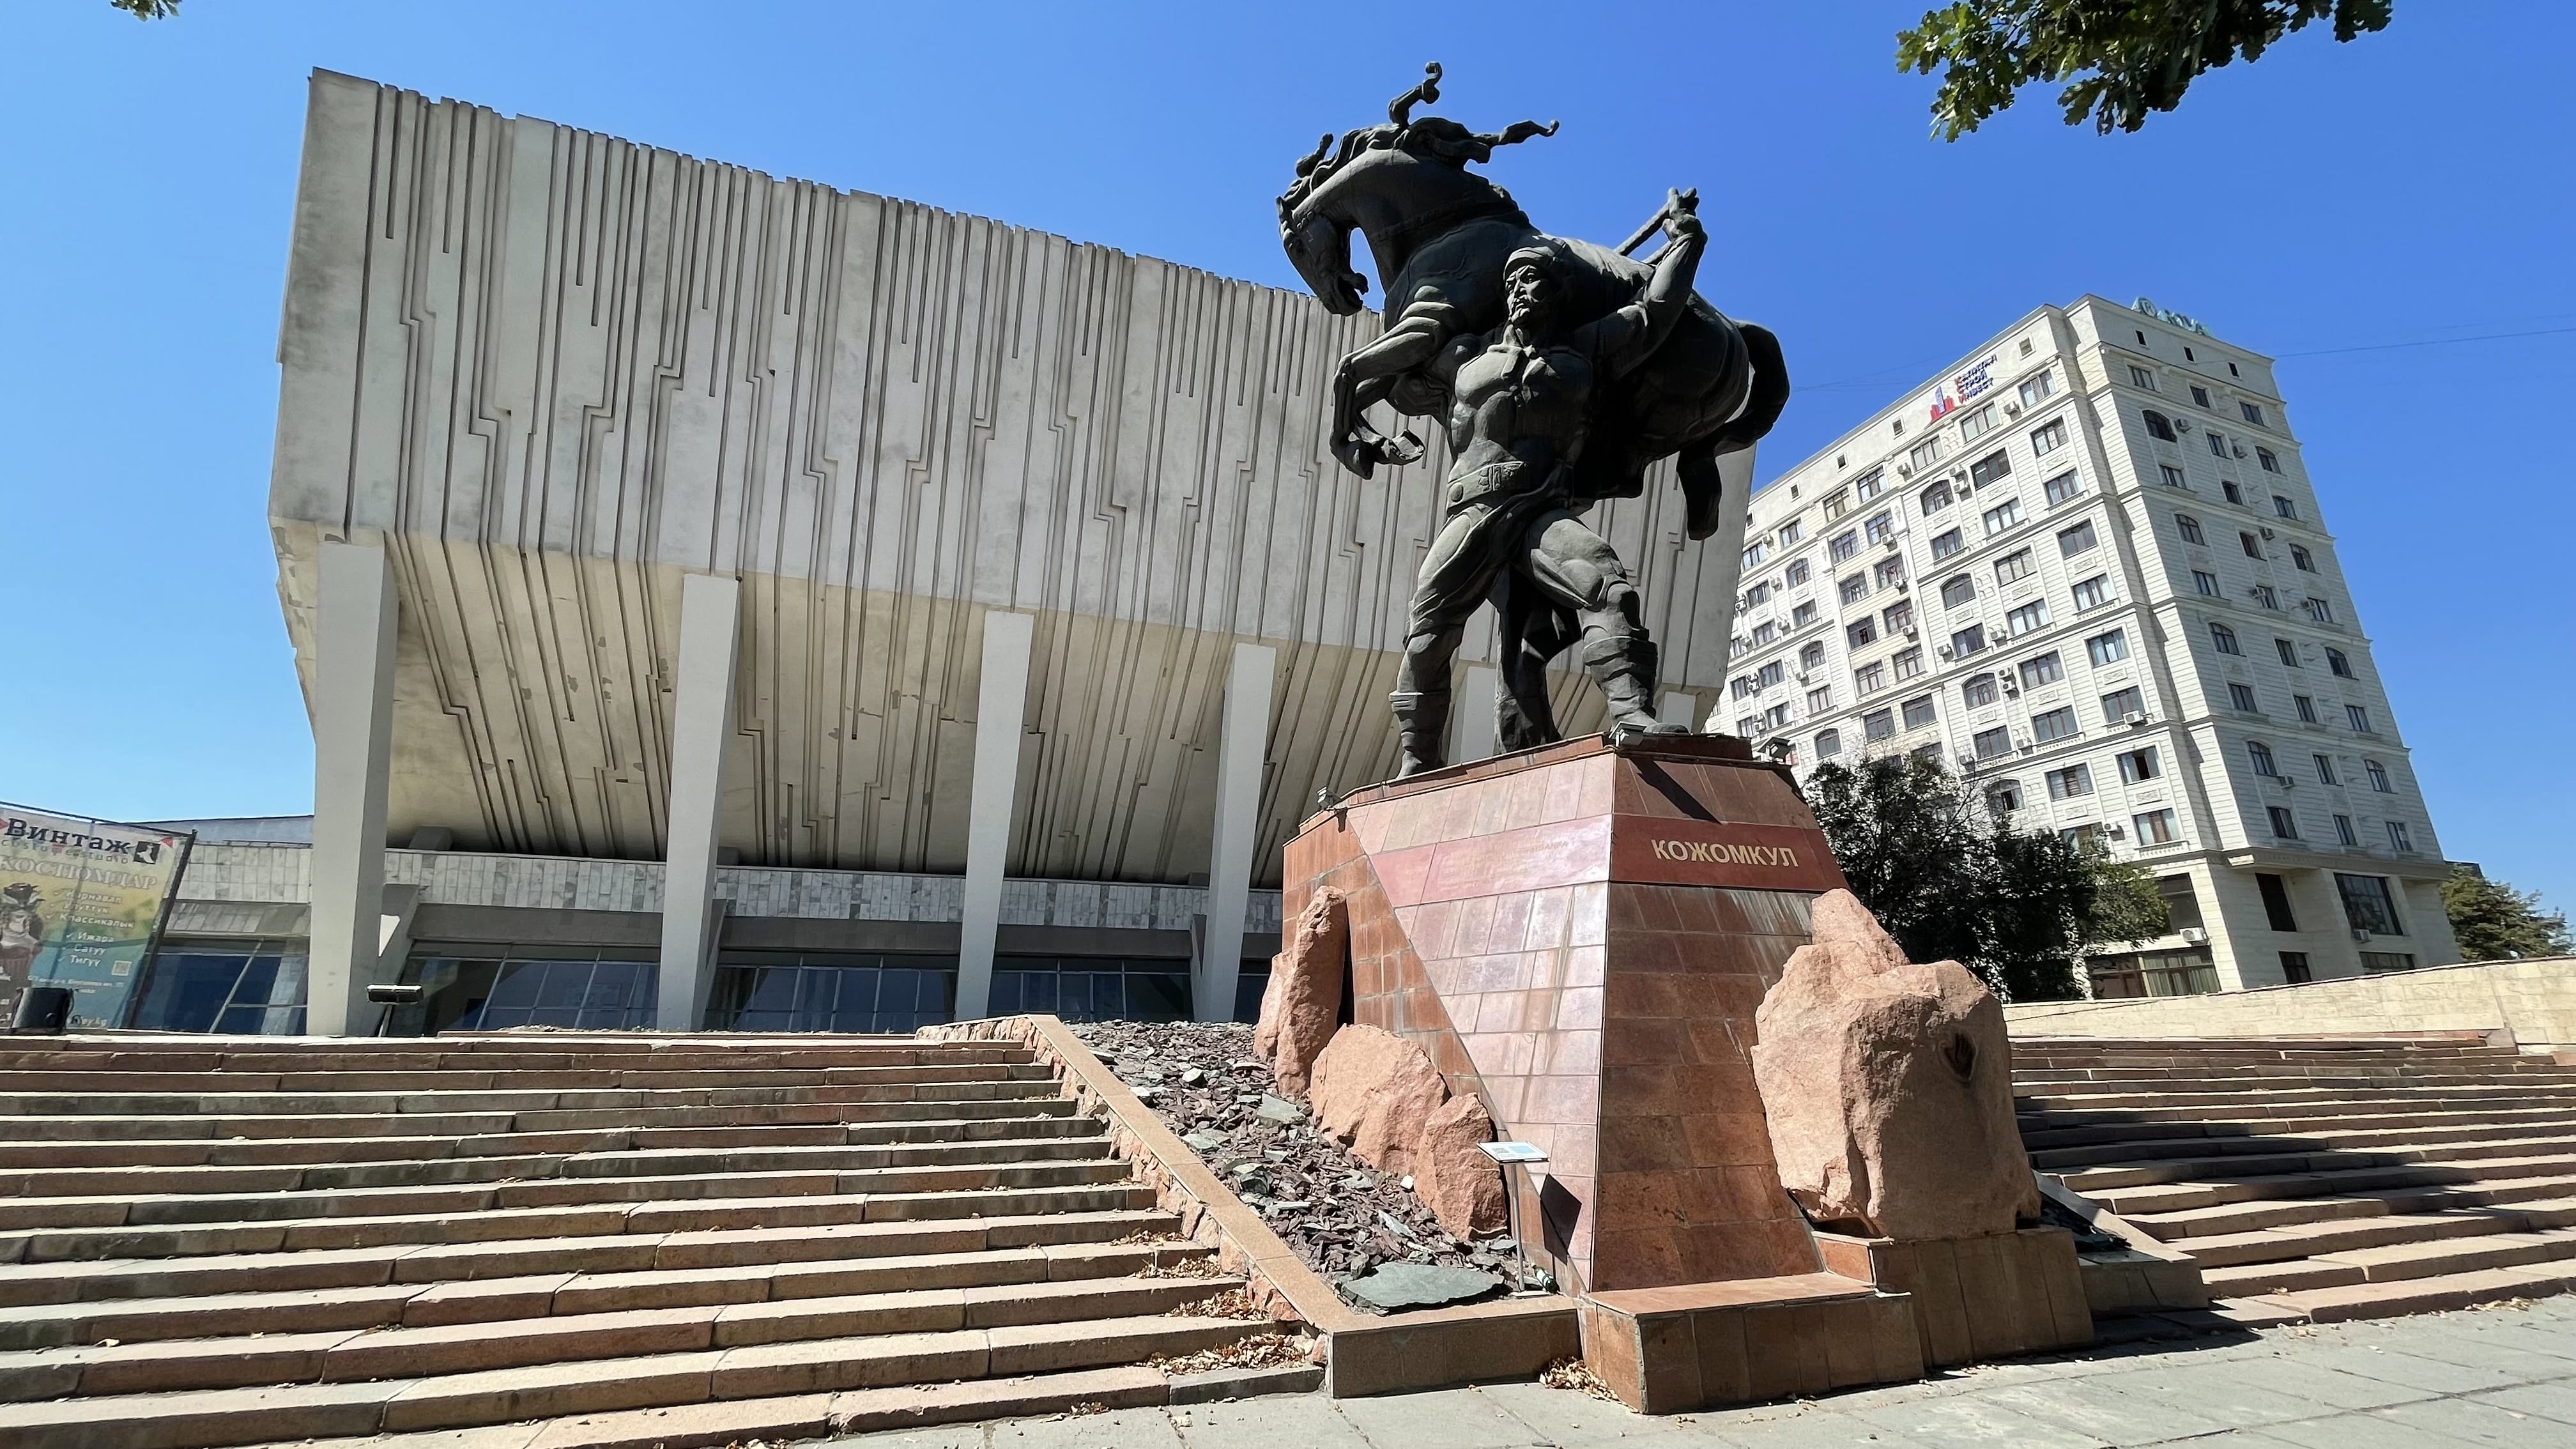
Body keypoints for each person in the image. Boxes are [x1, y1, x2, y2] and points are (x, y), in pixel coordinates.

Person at [1388, 190, 1705, 776]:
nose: (1520, 292)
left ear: (1559, 295)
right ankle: (1417, 757)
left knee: (1608, 589)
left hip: (1540, 512)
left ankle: (1632, 714)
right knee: (1428, 630)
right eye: (1513, 284)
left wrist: (1685, 238)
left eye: (1535, 282)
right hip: (1473, 512)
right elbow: (1397, 361)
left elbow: (1657, 310)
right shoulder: (1464, 358)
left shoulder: (1586, 349)